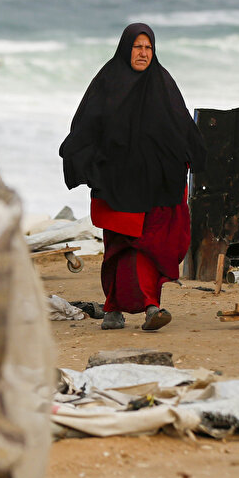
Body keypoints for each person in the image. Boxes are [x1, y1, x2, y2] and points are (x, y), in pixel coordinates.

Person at [59, 23, 205, 331]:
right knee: (119, 246)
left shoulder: (162, 83)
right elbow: (86, 126)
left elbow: (181, 127)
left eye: (148, 47)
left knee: (150, 244)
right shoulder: (108, 82)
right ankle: (113, 308)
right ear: (126, 48)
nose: (143, 53)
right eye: (137, 47)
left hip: (156, 185)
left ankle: (152, 307)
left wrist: (193, 156)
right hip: (117, 183)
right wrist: (85, 162)